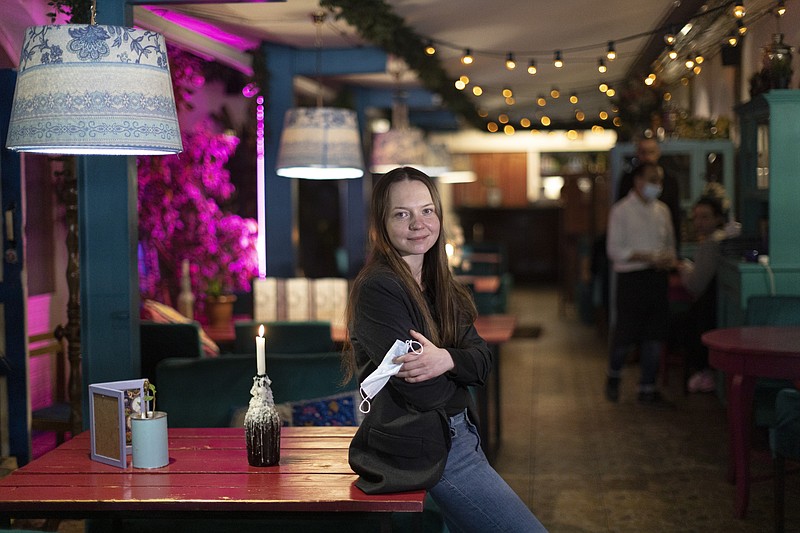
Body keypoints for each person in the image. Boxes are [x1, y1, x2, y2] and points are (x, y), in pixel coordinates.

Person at [343, 167, 546, 532]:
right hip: (430, 446)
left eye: (426, 211)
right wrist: (458, 370)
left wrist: (446, 358)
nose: (418, 223)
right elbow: (419, 388)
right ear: (382, 223)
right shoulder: (378, 289)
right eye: (402, 214)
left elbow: (483, 363)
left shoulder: (442, 285)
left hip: (460, 434)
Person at [606, 162, 677, 408]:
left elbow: (670, 245)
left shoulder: (663, 211)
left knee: (654, 336)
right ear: (638, 181)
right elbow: (614, 251)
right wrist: (647, 256)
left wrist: (667, 258)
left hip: (657, 279)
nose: (656, 184)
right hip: (631, 281)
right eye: (652, 179)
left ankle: (647, 387)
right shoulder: (621, 211)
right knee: (624, 336)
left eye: (659, 180)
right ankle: (613, 376)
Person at [677, 195, 740, 393]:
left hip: (707, 314)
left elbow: (695, 285)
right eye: (695, 217)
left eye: (705, 217)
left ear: (718, 219)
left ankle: (704, 373)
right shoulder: (720, 241)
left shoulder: (711, 245)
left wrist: (683, 267)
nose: (699, 223)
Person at [617, 137, 682, 250]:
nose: (647, 157)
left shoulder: (670, 180)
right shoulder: (628, 179)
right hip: (635, 242)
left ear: (658, 153)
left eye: (651, 152)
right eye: (643, 152)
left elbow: (675, 214)